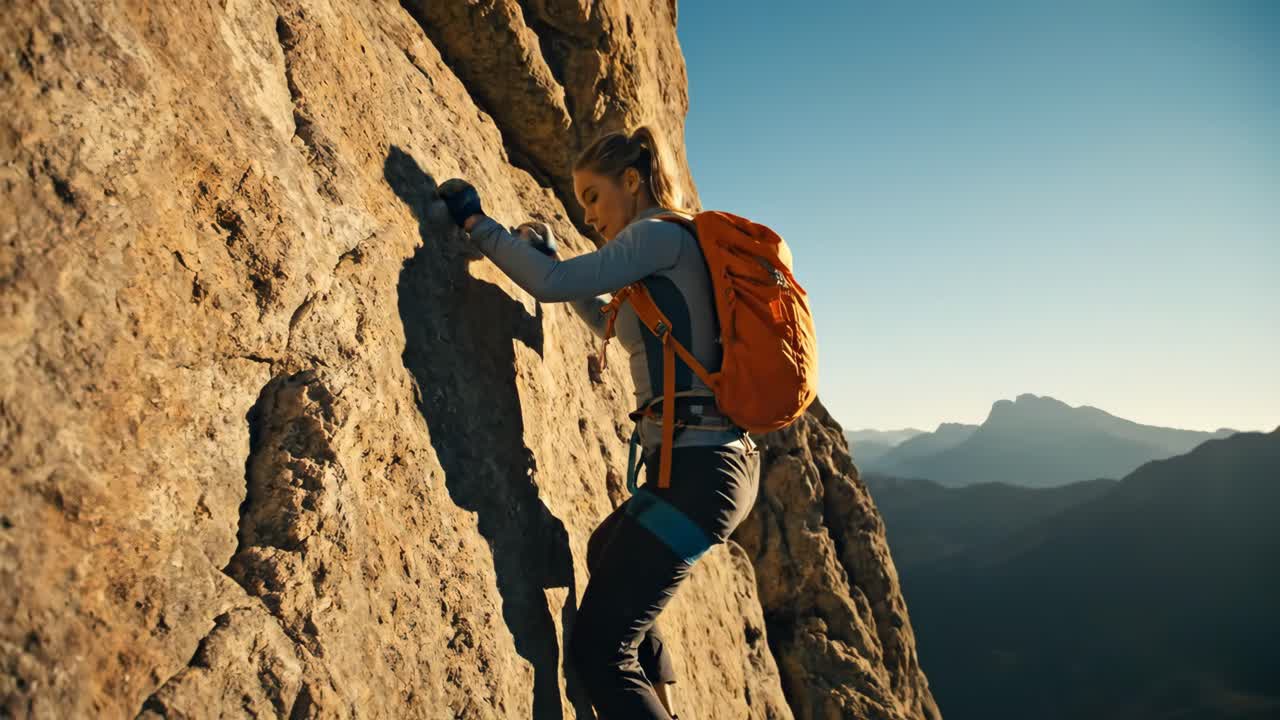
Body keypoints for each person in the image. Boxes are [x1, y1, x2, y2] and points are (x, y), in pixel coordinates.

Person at [438, 126, 761, 719]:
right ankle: (662, 702)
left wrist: (476, 225)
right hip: (705, 470)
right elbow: (608, 317)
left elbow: (551, 285)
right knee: (606, 550)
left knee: (600, 651)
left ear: (632, 182)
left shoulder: (657, 236)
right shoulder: (674, 245)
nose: (588, 216)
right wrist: (551, 258)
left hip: (699, 477)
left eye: (593, 196)